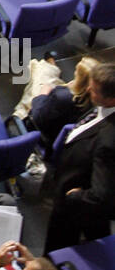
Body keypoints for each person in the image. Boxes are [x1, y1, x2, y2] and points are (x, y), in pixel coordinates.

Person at [44, 63, 115, 253]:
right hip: (80, 178)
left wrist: (76, 197)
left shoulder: (108, 141)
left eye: (94, 89)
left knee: (57, 250)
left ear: (111, 99)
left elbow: (101, 196)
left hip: (74, 204)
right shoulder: (103, 108)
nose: (89, 89)